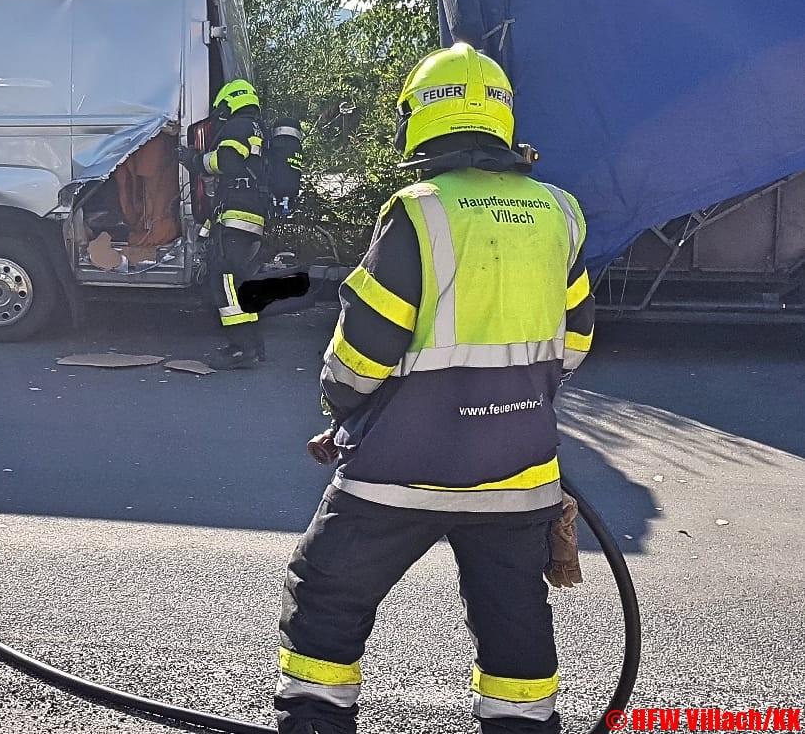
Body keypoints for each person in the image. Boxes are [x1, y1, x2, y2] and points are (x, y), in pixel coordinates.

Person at [274, 42, 594, 734]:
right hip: (519, 476)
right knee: (516, 636)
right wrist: (512, 403)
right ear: (501, 122)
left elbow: (361, 356)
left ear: (419, 120)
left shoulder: (418, 212)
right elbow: (573, 344)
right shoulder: (559, 213)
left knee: (324, 601)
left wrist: (342, 413)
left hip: (398, 475)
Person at [181, 78, 270, 369]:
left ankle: (243, 350)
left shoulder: (238, 126)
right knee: (238, 284)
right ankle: (249, 346)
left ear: (231, 101)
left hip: (237, 217)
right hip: (248, 215)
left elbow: (227, 161)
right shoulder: (257, 128)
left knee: (225, 284)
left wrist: (194, 159)